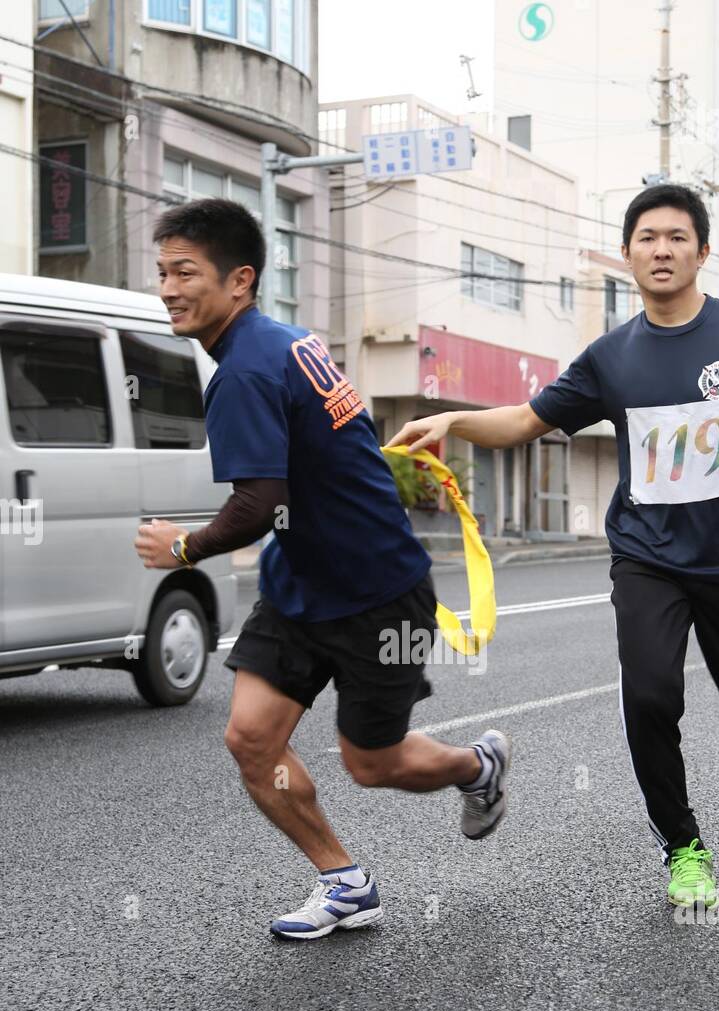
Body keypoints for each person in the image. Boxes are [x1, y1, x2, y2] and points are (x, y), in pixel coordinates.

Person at [387, 183, 719, 910]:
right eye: (647, 238)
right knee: (651, 692)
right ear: (627, 252)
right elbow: (527, 419)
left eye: (677, 238)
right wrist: (452, 421)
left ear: (702, 251)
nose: (662, 250)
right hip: (647, 556)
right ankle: (683, 846)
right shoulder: (610, 357)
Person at [134, 198, 510, 941]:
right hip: (300, 583)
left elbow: (258, 502)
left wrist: (182, 549)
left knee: (372, 762)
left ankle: (477, 767)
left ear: (239, 281)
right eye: (162, 273)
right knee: (250, 739)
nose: (170, 288)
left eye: (185, 272)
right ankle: (345, 883)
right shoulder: (282, 341)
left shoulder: (244, 370)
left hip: (377, 592)